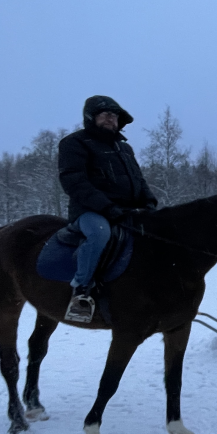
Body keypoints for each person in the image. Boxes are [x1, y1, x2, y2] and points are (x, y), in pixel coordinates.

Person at [57, 95, 158, 323]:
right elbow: (74, 181)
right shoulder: (74, 143)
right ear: (90, 118)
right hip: (90, 212)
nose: (111, 118)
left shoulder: (124, 148)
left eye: (114, 115)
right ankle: (81, 292)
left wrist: (149, 202)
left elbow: (138, 180)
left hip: (126, 211)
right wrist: (107, 207)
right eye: (105, 114)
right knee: (100, 233)